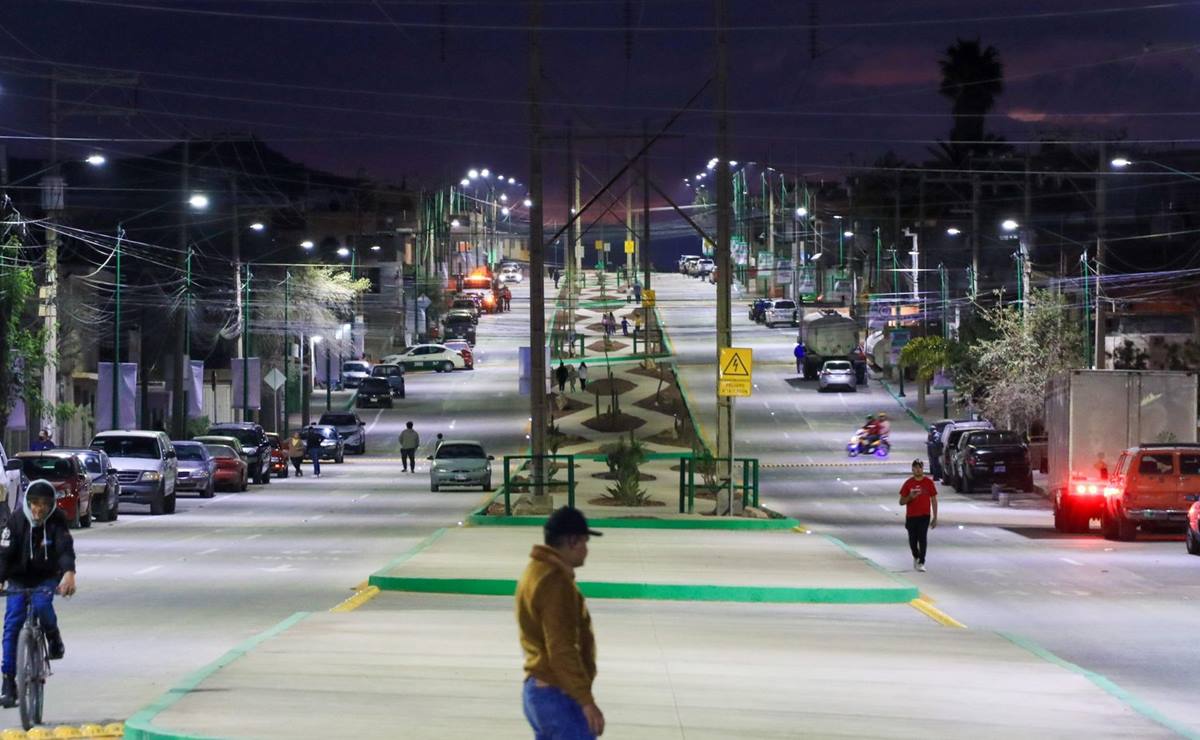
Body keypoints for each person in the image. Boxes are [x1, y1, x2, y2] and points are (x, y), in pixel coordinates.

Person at [516, 507, 605, 739]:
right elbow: (561, 648)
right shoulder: (555, 583)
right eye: (585, 542)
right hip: (557, 696)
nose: (587, 549)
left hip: (539, 691)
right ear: (572, 541)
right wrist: (586, 702)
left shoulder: (535, 571)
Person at [0, 480, 76, 706]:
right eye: (34, 503)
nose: (39, 508)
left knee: (43, 606)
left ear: (51, 504)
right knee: (13, 623)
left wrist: (69, 572)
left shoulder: (57, 519)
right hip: (18, 578)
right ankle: (8, 681)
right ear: (28, 502)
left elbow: (64, 548)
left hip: (45, 577)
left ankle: (53, 637)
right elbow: (4, 553)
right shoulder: (15, 520)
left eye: (44, 503)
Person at [899, 460, 938, 572]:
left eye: (920, 467)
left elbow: (934, 500)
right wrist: (910, 497)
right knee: (912, 541)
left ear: (922, 468)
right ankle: (916, 556)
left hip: (924, 516)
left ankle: (921, 562)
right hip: (911, 516)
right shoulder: (908, 483)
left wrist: (935, 517)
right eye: (915, 467)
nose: (918, 469)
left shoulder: (929, 483)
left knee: (922, 538)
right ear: (912, 469)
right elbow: (901, 502)